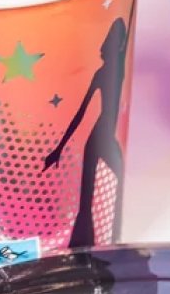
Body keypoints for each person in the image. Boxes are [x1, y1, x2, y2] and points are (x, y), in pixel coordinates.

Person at [44, 15, 130, 249]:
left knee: (116, 181)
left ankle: (110, 237)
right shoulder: (102, 73)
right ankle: (81, 243)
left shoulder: (118, 66)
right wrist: (59, 149)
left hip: (107, 137)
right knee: (85, 197)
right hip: (97, 138)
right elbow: (81, 113)